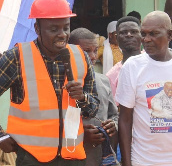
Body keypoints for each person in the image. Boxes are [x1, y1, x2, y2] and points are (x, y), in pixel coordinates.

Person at [0, 0, 99, 166]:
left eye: (66, 27)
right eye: (54, 29)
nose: (62, 34)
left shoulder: (80, 57)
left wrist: (83, 98)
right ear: (37, 29)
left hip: (72, 155)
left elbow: (92, 110)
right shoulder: (17, 57)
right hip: (32, 157)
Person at [117, 11, 172, 166]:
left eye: (153, 34)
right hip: (144, 160)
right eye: (144, 34)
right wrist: (126, 163)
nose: (146, 39)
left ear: (169, 35)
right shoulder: (133, 67)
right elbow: (125, 120)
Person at [69, 28, 118, 166]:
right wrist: (81, 136)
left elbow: (114, 115)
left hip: (100, 158)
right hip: (73, 158)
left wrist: (113, 125)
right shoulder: (64, 84)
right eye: (86, 51)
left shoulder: (103, 81)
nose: (92, 56)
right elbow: (54, 125)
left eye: (95, 50)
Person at [106, 16, 142, 101]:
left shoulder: (153, 62)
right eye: (123, 32)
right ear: (116, 37)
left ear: (141, 35)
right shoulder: (112, 76)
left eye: (134, 31)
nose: (129, 35)